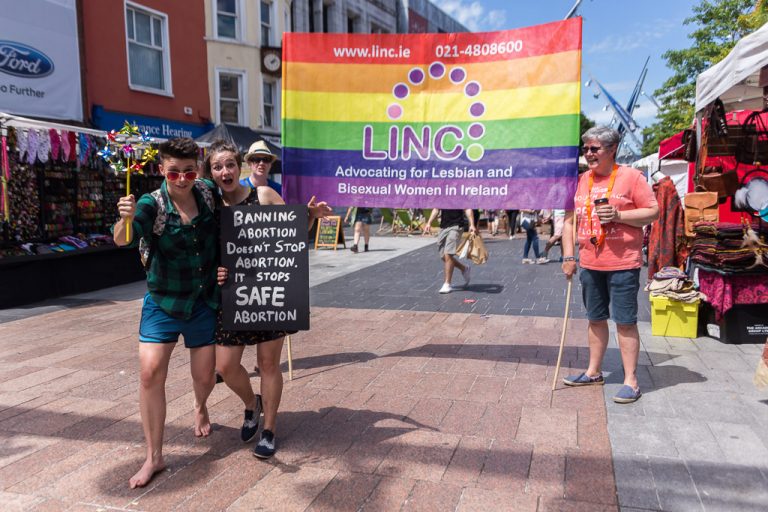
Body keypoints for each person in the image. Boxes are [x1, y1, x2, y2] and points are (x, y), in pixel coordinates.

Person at [207, 140, 330, 458]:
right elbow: (207, 253)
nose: (225, 171)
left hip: (270, 290)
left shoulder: (262, 196)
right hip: (233, 295)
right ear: (212, 173)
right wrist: (216, 271)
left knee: (267, 364)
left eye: (229, 164)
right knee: (226, 366)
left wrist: (311, 217)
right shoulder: (212, 207)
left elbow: (293, 232)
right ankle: (252, 403)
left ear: (239, 166)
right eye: (217, 166)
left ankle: (270, 429)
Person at [113, 138, 219, 488]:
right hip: (163, 301)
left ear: (198, 170)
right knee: (149, 373)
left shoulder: (206, 193)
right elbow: (122, 239)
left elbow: (240, 208)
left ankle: (200, 405)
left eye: (189, 171)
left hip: (202, 300)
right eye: (174, 172)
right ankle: (154, 456)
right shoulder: (150, 203)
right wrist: (123, 220)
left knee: (204, 377)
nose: (182, 179)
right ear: (162, 169)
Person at [561, 126, 659, 404]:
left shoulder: (631, 177)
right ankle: (593, 372)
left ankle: (631, 380)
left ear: (612, 149)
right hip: (590, 263)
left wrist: (618, 215)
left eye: (595, 148)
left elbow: (653, 211)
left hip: (623, 263)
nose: (589, 153)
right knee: (595, 318)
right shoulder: (580, 181)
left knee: (625, 322)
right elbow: (569, 221)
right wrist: (569, 257)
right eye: (586, 148)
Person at [424, 208, 476, 293]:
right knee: (443, 256)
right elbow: (436, 209)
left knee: (448, 254)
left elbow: (467, 208)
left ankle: (447, 284)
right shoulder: (443, 195)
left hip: (456, 226)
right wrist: (429, 223)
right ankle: (464, 268)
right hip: (443, 227)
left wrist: (472, 224)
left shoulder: (460, 195)